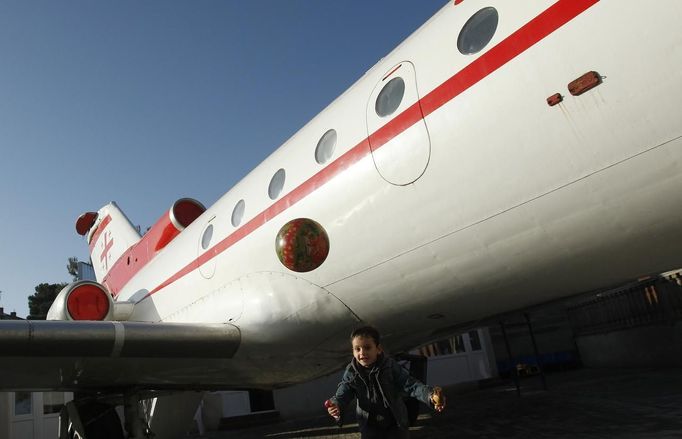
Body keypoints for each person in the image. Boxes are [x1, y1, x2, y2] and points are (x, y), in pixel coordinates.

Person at [326, 326, 445, 439]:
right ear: (353, 351)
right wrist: (336, 405)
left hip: (395, 422)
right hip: (369, 426)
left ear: (378, 349)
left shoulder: (389, 366)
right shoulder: (351, 371)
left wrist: (430, 395)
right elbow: (344, 392)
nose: (362, 352)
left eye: (367, 347)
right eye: (357, 349)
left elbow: (411, 384)